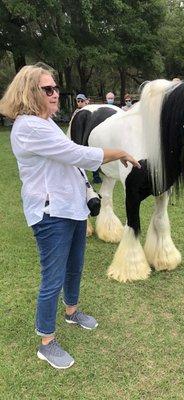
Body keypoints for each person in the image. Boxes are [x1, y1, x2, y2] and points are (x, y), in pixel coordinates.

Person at [0, 64, 140, 370]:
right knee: (52, 278)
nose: (55, 95)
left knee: (75, 266)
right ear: (29, 92)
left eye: (56, 89)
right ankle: (46, 342)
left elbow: (71, 152)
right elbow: (78, 155)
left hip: (71, 206)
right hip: (51, 213)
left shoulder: (46, 122)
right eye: (48, 89)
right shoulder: (28, 127)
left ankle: (72, 311)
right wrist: (119, 152)